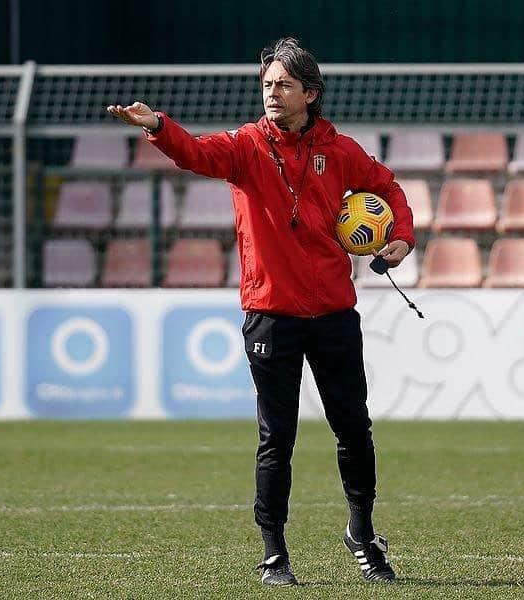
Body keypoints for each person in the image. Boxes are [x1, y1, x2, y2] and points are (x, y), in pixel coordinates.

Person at [107, 38, 414, 585]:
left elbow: (387, 187)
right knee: (278, 436)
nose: (273, 93)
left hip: (335, 314)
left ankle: (363, 535)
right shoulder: (246, 146)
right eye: (268, 84)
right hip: (271, 313)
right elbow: (196, 154)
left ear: (310, 93)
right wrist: (158, 126)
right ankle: (275, 553)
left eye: (284, 85)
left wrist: (401, 239)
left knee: (354, 430)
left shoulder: (339, 151)